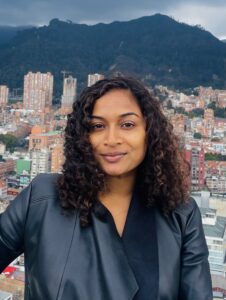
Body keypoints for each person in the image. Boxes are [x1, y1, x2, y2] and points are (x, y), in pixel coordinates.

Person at [0, 76, 212, 299]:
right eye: (97, 126)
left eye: (127, 124)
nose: (112, 139)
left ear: (149, 132)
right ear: (83, 136)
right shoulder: (42, 198)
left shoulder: (181, 214)